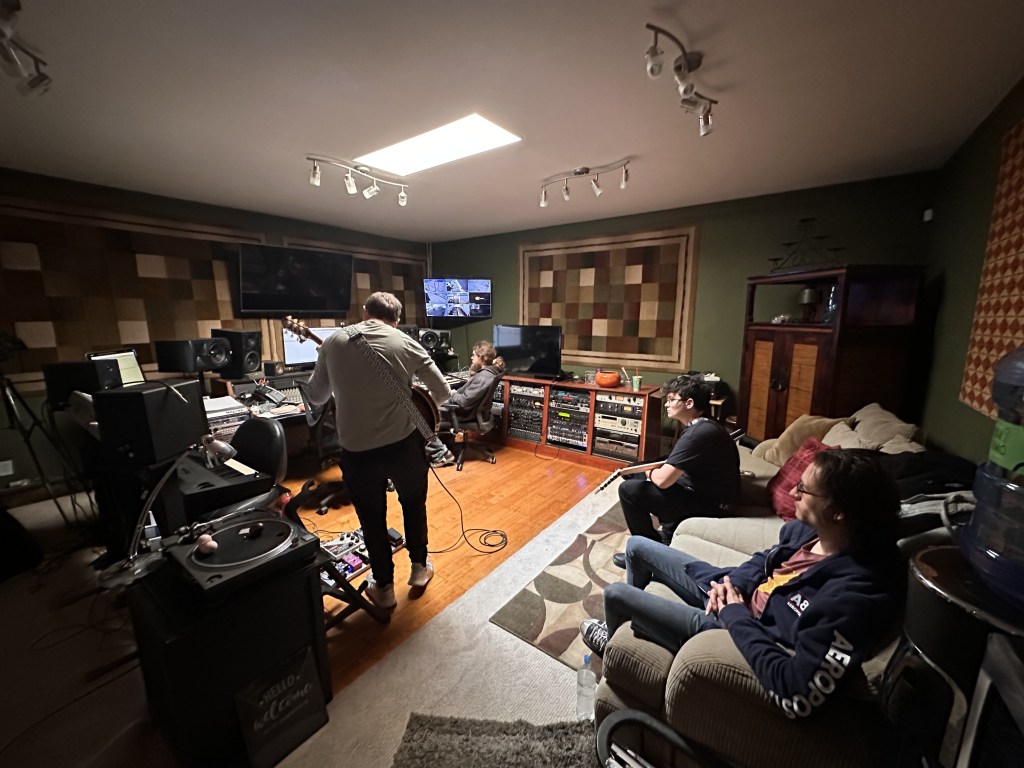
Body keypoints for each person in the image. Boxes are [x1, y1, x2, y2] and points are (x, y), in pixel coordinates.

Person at [581, 449, 906, 719]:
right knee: (636, 547)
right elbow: (766, 559)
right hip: (735, 596)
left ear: (838, 512)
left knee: (616, 594)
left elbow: (798, 694)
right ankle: (639, 629)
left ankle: (614, 642)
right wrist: (730, 583)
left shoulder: (854, 597)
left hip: (736, 629)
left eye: (804, 490)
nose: (793, 493)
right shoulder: (813, 532)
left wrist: (734, 613)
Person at [305, 291, 451, 609]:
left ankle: (383, 588)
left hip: (357, 452)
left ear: (364, 312)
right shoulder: (406, 343)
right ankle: (419, 568)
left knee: (371, 518)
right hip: (403, 446)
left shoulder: (333, 342)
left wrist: (332, 366)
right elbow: (442, 392)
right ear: (396, 320)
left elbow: (316, 397)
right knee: (413, 504)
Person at [613, 374, 739, 566]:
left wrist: (649, 472)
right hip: (702, 490)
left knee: (629, 490)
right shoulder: (704, 424)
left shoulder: (697, 434)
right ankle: (668, 531)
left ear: (689, 403)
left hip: (713, 506)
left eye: (671, 399)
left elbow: (663, 481)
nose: (666, 404)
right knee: (632, 471)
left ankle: (645, 556)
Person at [425, 340, 505, 466]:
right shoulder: (488, 373)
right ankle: (447, 441)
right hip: (472, 412)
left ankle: (440, 454)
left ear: (481, 357)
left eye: (474, 355)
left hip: (463, 414)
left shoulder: (483, 377)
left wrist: (451, 393)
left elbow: (464, 401)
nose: (472, 357)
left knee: (424, 413)